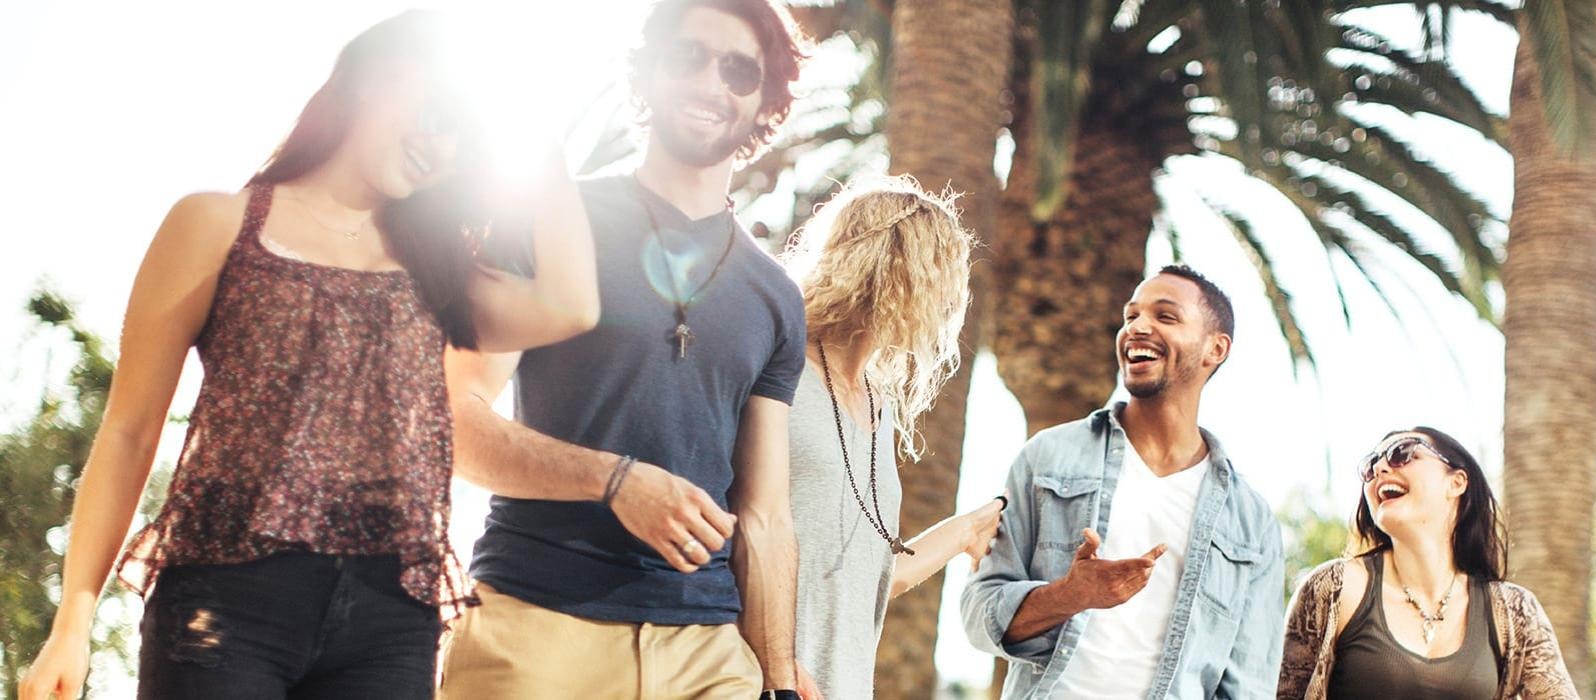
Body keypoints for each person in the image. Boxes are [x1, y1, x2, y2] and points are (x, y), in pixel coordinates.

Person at [17, 10, 599, 700]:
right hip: (225, 599)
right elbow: (128, 430)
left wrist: (540, 144)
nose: (441, 147)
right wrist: (74, 621)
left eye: (462, 140)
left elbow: (572, 306)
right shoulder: (217, 224)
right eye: (438, 112)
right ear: (376, 77)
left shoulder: (442, 274)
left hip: (391, 618)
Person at [434, 1, 815, 698]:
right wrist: (613, 481)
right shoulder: (545, 222)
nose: (711, 83)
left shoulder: (776, 298)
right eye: (687, 57)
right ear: (644, 74)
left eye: (739, 71)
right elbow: (451, 421)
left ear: (765, 102)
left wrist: (782, 680)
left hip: (707, 651)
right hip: (536, 625)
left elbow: (766, 515)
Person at [962, 265, 1285, 698]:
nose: (1137, 328)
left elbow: (1248, 684)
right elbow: (978, 613)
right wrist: (1068, 595)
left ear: (1215, 348)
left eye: (1165, 317)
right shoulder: (1049, 456)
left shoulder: (1251, 521)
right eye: (1131, 316)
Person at [781, 175, 1002, 698]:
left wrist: (966, 529)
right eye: (939, 274)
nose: (948, 301)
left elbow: (875, 577)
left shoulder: (876, 406)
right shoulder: (779, 374)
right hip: (759, 681)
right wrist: (770, 658)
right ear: (895, 267)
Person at [1277, 429, 1578, 699]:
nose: (1380, 468)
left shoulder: (1514, 611)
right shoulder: (1334, 590)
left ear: (1456, 482)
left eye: (1402, 453)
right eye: (1370, 466)